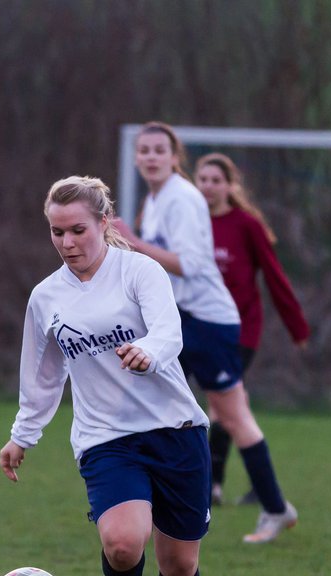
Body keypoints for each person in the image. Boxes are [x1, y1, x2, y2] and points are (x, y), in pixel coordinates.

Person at [0, 175, 208, 576]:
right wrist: (23, 435)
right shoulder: (46, 297)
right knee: (122, 543)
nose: (67, 243)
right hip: (105, 438)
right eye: (56, 232)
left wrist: (148, 350)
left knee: (180, 565)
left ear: (104, 224)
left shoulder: (139, 270)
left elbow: (170, 330)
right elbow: (42, 375)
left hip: (176, 431)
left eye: (77, 230)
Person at [114, 121, 298, 544]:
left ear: (175, 156)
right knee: (147, 402)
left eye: (159, 149)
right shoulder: (157, 199)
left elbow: (190, 265)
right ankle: (151, 504)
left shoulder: (182, 198)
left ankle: (273, 508)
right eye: (144, 150)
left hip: (209, 323)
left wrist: (135, 243)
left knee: (231, 416)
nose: (150, 157)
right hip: (181, 319)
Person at [195, 152, 310, 508]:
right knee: (226, 406)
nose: (209, 186)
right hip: (198, 328)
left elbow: (275, 276)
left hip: (240, 329)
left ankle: (214, 486)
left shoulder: (247, 225)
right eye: (203, 179)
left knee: (222, 406)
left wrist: (296, 326)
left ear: (230, 185)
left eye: (217, 180)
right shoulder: (188, 221)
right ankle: (254, 486)